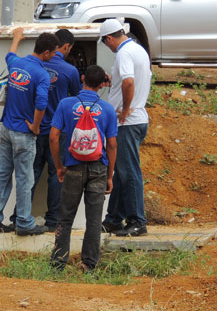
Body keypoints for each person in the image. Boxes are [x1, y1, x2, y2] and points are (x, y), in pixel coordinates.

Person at [0, 27, 59, 236]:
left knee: (3, 174)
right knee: (25, 179)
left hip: (6, 128)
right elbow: (41, 103)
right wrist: (35, 126)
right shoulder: (41, 74)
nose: (54, 56)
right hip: (23, 134)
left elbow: (9, 55)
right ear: (46, 53)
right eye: (53, 53)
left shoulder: (17, 64)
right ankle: (24, 222)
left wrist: (16, 38)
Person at [49, 65, 118, 271]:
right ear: (101, 85)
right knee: (94, 219)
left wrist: (60, 166)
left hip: (73, 166)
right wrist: (110, 175)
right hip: (98, 168)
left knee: (65, 216)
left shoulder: (66, 104)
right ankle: (89, 265)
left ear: (82, 79)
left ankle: (58, 263)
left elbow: (53, 137)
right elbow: (112, 144)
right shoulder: (107, 109)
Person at [98, 19, 151, 237]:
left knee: (128, 172)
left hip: (127, 122)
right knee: (121, 171)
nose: (107, 47)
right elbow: (128, 80)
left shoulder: (123, 54)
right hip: (137, 120)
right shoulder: (137, 49)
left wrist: (125, 109)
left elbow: (129, 82)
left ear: (109, 38)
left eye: (105, 43)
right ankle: (113, 219)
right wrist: (115, 81)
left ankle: (137, 220)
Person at [26, 29, 81, 232]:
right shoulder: (70, 71)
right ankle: (53, 221)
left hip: (34, 129)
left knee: (30, 173)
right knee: (57, 175)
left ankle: (20, 217)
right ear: (65, 47)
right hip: (58, 132)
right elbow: (77, 98)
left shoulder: (35, 66)